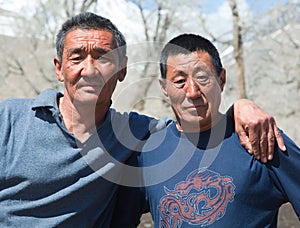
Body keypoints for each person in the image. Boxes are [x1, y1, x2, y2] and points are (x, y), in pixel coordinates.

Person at [0, 12, 285, 227]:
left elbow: (192, 115)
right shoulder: (9, 119)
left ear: (122, 69)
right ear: (59, 69)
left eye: (102, 57)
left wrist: (242, 107)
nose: (89, 69)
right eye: (77, 58)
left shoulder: (135, 135)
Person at [138, 34, 300, 227]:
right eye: (180, 81)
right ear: (164, 87)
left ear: (221, 80)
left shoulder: (259, 138)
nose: (192, 92)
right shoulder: (148, 154)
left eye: (202, 78)